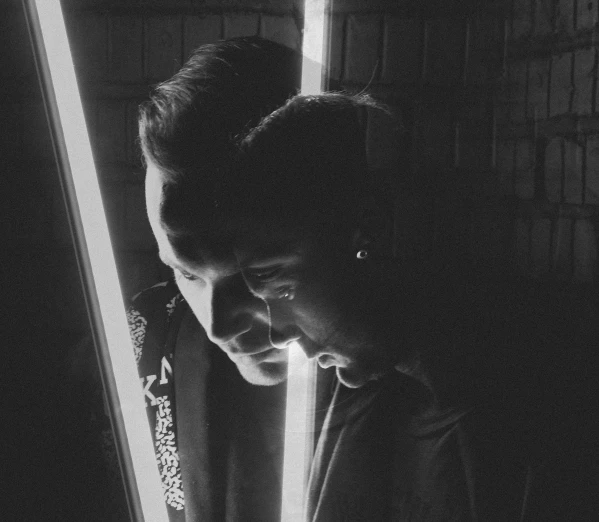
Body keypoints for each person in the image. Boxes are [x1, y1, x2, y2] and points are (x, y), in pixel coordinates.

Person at [143, 85, 599, 521]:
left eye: (272, 279)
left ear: (367, 230)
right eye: (186, 273)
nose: (273, 329)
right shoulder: (376, 395)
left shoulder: (540, 400)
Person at [128, 36, 302, 521]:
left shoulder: (430, 382)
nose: (219, 324)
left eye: (253, 273)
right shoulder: (142, 343)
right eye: (186, 273)